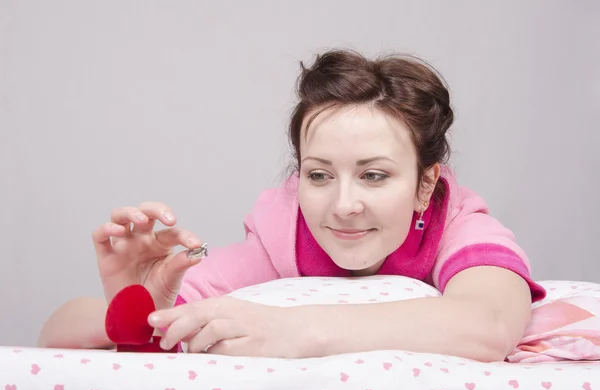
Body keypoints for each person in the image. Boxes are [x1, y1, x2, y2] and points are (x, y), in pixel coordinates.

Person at [38, 49, 546, 362]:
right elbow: (55, 331)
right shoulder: (281, 240)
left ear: (424, 183)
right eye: (319, 175)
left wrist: (295, 329)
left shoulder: (458, 224)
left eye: (374, 175)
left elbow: (490, 324)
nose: (343, 205)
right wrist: (132, 308)